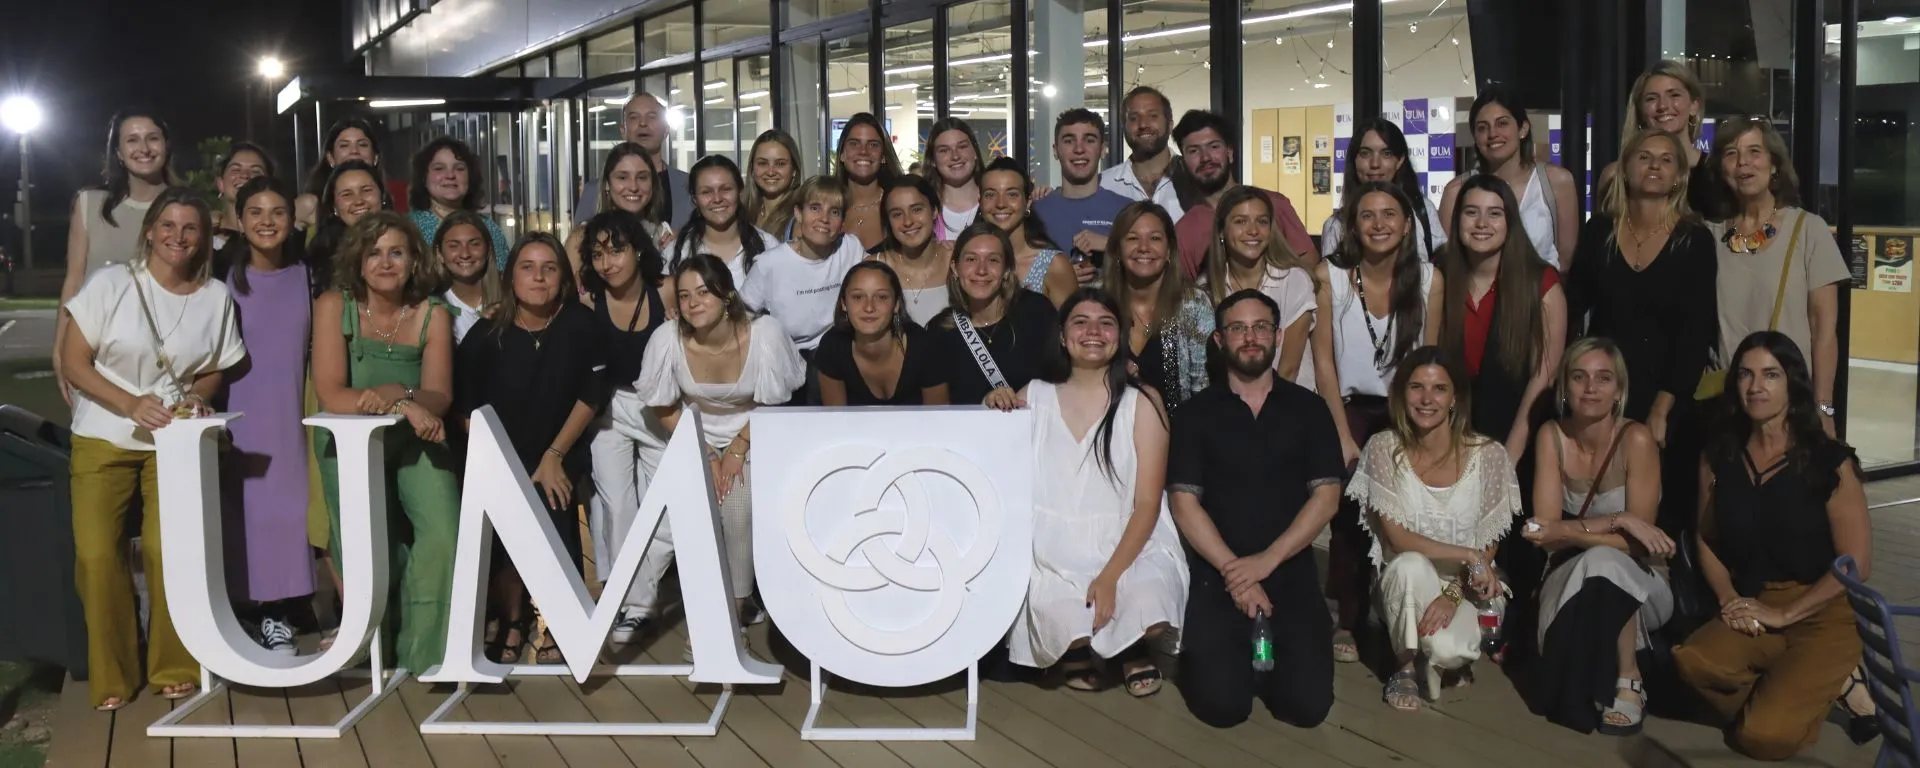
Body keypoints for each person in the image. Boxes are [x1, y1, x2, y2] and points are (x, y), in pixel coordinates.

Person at [62, 188, 245, 710]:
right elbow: (75, 361)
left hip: (172, 441)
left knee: (170, 552)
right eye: (168, 226)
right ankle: (114, 675)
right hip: (103, 434)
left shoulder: (215, 296)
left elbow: (216, 365)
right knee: (98, 556)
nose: (178, 237)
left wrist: (193, 395)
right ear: (149, 230)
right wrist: (128, 403)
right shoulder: (111, 283)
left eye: (190, 228)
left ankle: (173, 664)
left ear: (205, 238)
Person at [1672, 332, 1871, 761]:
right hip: (1757, 600)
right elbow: (1705, 537)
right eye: (1745, 374)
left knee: (1762, 739)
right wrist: (1728, 599)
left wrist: (1786, 614)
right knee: (1693, 661)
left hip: (1824, 611)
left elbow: (1854, 564)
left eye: (1770, 375)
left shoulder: (1830, 460)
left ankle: (1830, 680)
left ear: (1792, 384)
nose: (1756, 386)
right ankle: (1811, 687)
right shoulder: (1720, 455)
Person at [994, 287, 1184, 697]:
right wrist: (993, 402)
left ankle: (1131, 643)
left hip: (1129, 539)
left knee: (1149, 603)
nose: (1093, 331)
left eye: (1106, 322)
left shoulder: (1141, 401)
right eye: (1080, 322)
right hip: (1055, 547)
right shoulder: (1035, 395)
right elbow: (991, 450)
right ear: (1062, 336)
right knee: (1066, 619)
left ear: (1119, 337)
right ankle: (1091, 644)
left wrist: (1111, 576)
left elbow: (1149, 502)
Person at [1166, 289, 1342, 728]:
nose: (1250, 337)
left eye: (1260, 327)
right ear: (1219, 340)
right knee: (1222, 708)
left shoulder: (1310, 409)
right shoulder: (1194, 415)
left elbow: (1327, 498)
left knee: (1306, 708)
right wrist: (1236, 573)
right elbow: (1184, 503)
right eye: (1238, 328)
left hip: (1290, 569)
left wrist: (1267, 562)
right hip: (1218, 573)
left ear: (1278, 336)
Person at [634, 254, 805, 657]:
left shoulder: (764, 334)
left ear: (727, 294)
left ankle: (732, 616)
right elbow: (662, 407)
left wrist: (738, 450)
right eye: (685, 295)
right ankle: (672, 606)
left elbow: (775, 403)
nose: (694, 303)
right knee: (684, 515)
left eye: (704, 292)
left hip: (757, 431)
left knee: (737, 505)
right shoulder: (667, 339)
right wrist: (709, 453)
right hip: (691, 435)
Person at [311, 211, 459, 675]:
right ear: (357, 262)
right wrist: (403, 404)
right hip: (351, 442)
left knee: (442, 529)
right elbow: (333, 394)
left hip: (416, 434)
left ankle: (427, 655)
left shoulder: (433, 312)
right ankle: (380, 652)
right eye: (374, 253)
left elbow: (439, 394)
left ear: (415, 260)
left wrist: (401, 397)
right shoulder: (335, 305)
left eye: (397, 252)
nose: (385, 262)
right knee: (372, 545)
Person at [1314, 181, 1445, 663]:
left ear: (1407, 224)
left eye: (1390, 214)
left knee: (1403, 512)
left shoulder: (1430, 280)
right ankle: (1346, 617)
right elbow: (1324, 362)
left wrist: (1416, 429)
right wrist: (1342, 433)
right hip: (1347, 408)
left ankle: (1403, 613)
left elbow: (1429, 360)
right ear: (1352, 226)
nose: (1379, 224)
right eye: (1367, 216)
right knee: (1350, 515)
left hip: (1406, 411)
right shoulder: (1330, 276)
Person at [1350, 346, 1522, 711]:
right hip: (1406, 579)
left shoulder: (1489, 455)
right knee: (1409, 564)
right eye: (1416, 388)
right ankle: (1405, 666)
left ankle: (1441, 654)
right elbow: (1397, 539)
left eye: (1439, 389)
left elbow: (1489, 545)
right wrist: (1469, 554)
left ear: (1455, 397)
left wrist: (1455, 594)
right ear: (1401, 395)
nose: (1427, 399)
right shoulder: (1384, 448)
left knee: (1450, 650)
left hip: (1468, 585)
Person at [456, 233, 602, 665]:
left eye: (549, 268)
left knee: (557, 510)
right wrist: (497, 469)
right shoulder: (484, 336)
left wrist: (554, 457)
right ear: (510, 277)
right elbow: (466, 410)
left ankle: (562, 620)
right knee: (505, 529)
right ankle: (513, 620)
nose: (538, 277)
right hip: (500, 455)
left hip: (557, 450)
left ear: (562, 278)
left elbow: (591, 395)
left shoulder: (579, 325)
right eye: (527, 267)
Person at [1567, 128, 1718, 533]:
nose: (1654, 166)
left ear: (1679, 177)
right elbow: (1573, 307)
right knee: (1601, 500)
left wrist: (1661, 409)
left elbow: (1695, 332)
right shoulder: (1600, 230)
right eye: (1644, 157)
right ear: (1626, 169)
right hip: (1602, 390)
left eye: (1666, 159)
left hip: (1666, 397)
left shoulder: (1694, 240)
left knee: (1661, 513)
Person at [1522, 337, 1675, 735]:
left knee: (1607, 563)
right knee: (1600, 560)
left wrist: (1569, 531)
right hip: (1568, 573)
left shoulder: (1636, 440)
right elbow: (1545, 536)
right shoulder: (1551, 437)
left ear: (1619, 390)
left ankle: (1629, 679)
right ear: (1564, 388)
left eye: (1603, 378)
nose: (1591, 388)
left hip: (1644, 586)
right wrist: (1616, 521)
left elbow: (1640, 545)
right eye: (1579, 377)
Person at [1699, 116, 1849, 438]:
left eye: (1754, 151)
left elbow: (1824, 329)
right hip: (1728, 405)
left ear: (1775, 164)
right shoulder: (1709, 237)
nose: (1743, 163)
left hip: (1790, 407)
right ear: (1721, 170)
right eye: (1730, 153)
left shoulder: (1808, 230)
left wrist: (1824, 408)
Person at [217, 176, 314, 655]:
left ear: (292, 220)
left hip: (291, 412)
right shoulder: (222, 282)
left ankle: (279, 611)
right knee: (244, 514)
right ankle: (245, 611)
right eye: (255, 212)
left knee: (288, 513)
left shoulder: (306, 277)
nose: (267, 221)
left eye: (278, 212)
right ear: (238, 220)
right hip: (238, 415)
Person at [578, 210, 670, 644]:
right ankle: (627, 602)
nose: (607, 262)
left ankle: (637, 593)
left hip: (659, 407)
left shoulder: (665, 293)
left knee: (663, 506)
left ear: (637, 249)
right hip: (606, 409)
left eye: (616, 250)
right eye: (597, 254)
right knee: (614, 504)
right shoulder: (587, 300)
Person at [1437, 173, 1565, 468]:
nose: (1482, 224)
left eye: (1495, 214)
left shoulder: (1541, 283)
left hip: (1517, 434)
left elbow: (1543, 376)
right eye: (1471, 212)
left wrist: (1511, 452)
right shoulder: (1437, 274)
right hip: (1449, 434)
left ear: (1511, 223)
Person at [58, 109, 176, 406]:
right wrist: (60, 350)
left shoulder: (184, 207)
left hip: (166, 361)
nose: (144, 148)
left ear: (166, 145)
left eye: (152, 138)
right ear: (119, 153)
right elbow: (74, 281)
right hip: (96, 364)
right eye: (132, 140)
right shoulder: (90, 205)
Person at [1440, 90, 1578, 272]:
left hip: (1541, 297)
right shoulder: (1456, 191)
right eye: (1482, 127)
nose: (1492, 134)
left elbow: (1565, 263)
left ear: (1523, 129)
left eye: (1502, 123)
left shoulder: (1557, 181)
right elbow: (1449, 264)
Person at [1170, 110, 1316, 280]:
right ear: (1184, 162)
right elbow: (1183, 293)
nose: (1206, 158)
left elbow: (1308, 262)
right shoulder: (1186, 228)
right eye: (1194, 151)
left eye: (1214, 146)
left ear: (1230, 153)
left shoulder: (1274, 204)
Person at [927, 222, 1063, 405]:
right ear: (955, 268)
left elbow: (1062, 385)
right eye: (971, 259)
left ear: (1007, 270)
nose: (981, 270)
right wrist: (984, 405)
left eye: (993, 260)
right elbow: (938, 415)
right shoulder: (940, 331)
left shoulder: (1037, 312)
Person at [1201, 185, 1323, 387]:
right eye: (1241, 221)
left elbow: (1288, 369)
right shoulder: (1206, 288)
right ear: (1221, 230)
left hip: (1289, 404)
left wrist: (1264, 415)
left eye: (1262, 221)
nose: (1253, 231)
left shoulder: (1294, 280)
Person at [1102, 202, 1211, 410]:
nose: (1144, 247)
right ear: (1117, 249)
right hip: (1108, 431)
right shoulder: (1096, 300)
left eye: (1155, 238)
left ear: (1169, 250)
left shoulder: (1194, 303)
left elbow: (1203, 390)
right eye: (1133, 238)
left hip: (1179, 434)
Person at [741, 175, 866, 357]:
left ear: (842, 222)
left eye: (834, 212)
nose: (824, 218)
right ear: (798, 214)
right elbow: (741, 315)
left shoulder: (850, 246)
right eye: (815, 208)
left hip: (838, 350)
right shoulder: (770, 264)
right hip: (789, 356)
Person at [814, 262, 949, 405]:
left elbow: (939, 421)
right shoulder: (833, 346)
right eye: (858, 297)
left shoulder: (925, 347)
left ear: (896, 304)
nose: (869, 307)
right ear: (844, 304)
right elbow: (835, 421)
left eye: (882, 297)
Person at [1597, 60, 1714, 217]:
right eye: (1651, 98)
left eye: (1674, 95)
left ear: (1694, 106)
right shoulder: (1615, 176)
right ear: (1640, 110)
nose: (1663, 106)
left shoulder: (1716, 173)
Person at [1320, 118, 1445, 260]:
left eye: (1386, 154)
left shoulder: (1424, 210)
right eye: (1365, 153)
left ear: (1400, 160)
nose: (1375, 164)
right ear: (1354, 161)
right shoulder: (1335, 226)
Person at [1033, 108, 1132, 286]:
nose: (1079, 149)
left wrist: (1111, 245)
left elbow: (1153, 263)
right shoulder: (1036, 212)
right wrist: (1058, 278)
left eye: (1089, 140)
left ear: (1103, 149)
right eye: (1069, 141)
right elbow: (1017, 271)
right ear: (1055, 151)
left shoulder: (1127, 211)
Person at [577, 93, 692, 225]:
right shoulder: (594, 190)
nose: (643, 123)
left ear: (666, 130)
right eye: (634, 117)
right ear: (623, 130)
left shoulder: (688, 185)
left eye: (652, 117)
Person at [667, 155, 779, 289]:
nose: (717, 198)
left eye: (726, 189)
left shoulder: (769, 247)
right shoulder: (676, 253)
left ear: (740, 191)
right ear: (694, 199)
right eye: (706, 192)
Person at [980, 157, 1076, 306]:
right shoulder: (968, 262)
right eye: (990, 195)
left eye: (1012, 194)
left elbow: (1070, 325)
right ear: (979, 202)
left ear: (1028, 202)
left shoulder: (1053, 266)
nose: (1000, 204)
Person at [565, 142, 676, 270]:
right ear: (607, 184)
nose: (633, 187)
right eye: (622, 178)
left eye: (642, 177)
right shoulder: (582, 238)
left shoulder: (664, 236)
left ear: (653, 184)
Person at [408, 137, 511, 270]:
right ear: (423, 178)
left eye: (459, 168)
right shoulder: (408, 229)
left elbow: (503, 282)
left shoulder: (489, 229)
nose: (450, 175)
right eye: (439, 169)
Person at [866, 175, 955, 326]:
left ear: (934, 211)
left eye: (916, 209)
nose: (908, 221)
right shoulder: (874, 268)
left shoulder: (956, 260)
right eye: (897, 214)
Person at [307, 160, 393, 298]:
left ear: (382, 196)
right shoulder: (319, 255)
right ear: (334, 206)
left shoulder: (406, 242)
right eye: (347, 194)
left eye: (366, 190)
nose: (358, 200)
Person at [1099, 87, 1188, 219]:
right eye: (1134, 118)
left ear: (1170, 125)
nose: (1143, 124)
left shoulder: (1194, 179)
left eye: (1153, 116)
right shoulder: (1103, 186)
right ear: (1124, 128)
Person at [833, 112, 904, 250]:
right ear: (842, 154)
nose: (863, 151)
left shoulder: (900, 207)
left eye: (873, 145)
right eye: (854, 144)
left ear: (883, 156)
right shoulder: (827, 208)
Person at [297, 117, 382, 230]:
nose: (354, 151)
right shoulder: (310, 204)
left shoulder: (386, 199)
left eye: (362, 144)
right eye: (344, 145)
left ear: (375, 157)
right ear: (330, 158)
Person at [436, 210, 502, 344]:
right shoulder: (432, 306)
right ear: (440, 253)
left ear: (488, 249)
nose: (465, 254)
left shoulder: (511, 297)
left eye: (474, 244)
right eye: (454, 246)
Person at [927, 118, 986, 239]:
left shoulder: (995, 202)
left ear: (975, 152)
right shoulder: (924, 206)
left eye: (962, 147)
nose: (955, 156)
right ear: (932, 160)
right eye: (944, 150)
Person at [212, 141, 275, 252]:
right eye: (236, 169)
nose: (245, 175)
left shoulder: (278, 239)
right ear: (220, 184)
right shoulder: (203, 241)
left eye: (255, 171)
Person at [743, 130, 802, 240]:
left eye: (780, 164)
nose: (770, 172)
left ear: (794, 169)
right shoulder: (741, 212)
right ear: (752, 169)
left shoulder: (800, 217)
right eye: (762, 163)